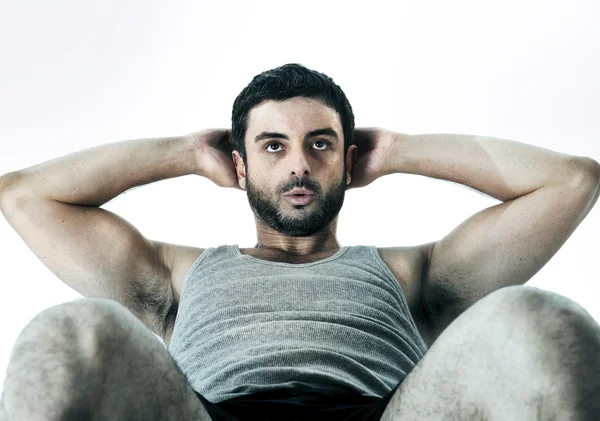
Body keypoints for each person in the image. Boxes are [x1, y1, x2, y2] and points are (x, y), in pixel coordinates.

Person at [0, 63, 599, 421]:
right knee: (68, 332)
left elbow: (572, 182)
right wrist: (183, 153)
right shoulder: (177, 275)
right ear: (239, 166)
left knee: (537, 318)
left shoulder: (413, 272)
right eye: (272, 146)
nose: (298, 166)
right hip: (211, 413)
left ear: (347, 158)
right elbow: (23, 195)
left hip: (381, 410)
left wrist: (397, 151)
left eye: (320, 143)